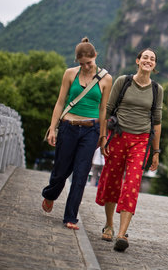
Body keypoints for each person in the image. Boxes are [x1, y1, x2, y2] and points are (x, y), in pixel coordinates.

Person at [95, 48, 163, 252]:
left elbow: (157, 121)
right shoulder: (123, 81)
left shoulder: (157, 89)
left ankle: (122, 234)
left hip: (141, 141)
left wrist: (156, 151)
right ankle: (109, 224)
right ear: (138, 61)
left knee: (132, 184)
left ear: (155, 64)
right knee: (112, 180)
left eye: (152, 59)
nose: (148, 61)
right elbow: (107, 110)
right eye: (145, 58)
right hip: (118, 136)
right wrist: (103, 136)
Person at [41, 37, 112, 230]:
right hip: (68, 127)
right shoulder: (70, 74)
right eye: (82, 64)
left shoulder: (106, 79)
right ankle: (50, 194)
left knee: (81, 174)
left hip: (91, 130)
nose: (86, 66)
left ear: (95, 56)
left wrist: (103, 136)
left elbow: (104, 109)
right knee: (61, 172)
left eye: (89, 63)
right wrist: (53, 128)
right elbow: (60, 102)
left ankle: (70, 217)